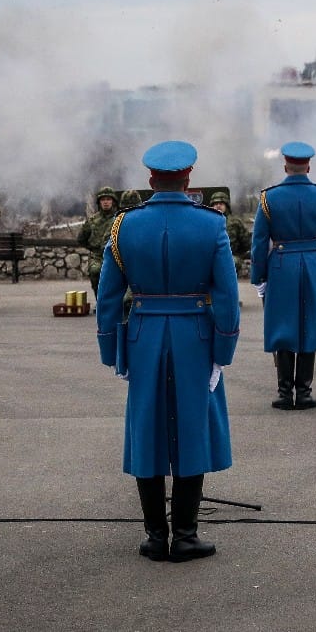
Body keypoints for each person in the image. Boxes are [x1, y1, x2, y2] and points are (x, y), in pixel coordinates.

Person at [96, 140, 239, 563]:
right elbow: (227, 296)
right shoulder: (211, 225)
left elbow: (108, 296)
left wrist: (111, 349)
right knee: (192, 425)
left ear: (151, 179)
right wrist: (224, 347)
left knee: (147, 427)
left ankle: (156, 536)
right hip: (195, 335)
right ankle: (187, 535)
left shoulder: (125, 224)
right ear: (189, 177)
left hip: (143, 333)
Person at [250, 141, 316, 410]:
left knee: (283, 326)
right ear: (308, 167)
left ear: (285, 166)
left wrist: (259, 276)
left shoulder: (269, 198)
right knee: (309, 325)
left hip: (281, 267)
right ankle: (304, 392)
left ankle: (284, 393)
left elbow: (259, 243)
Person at [77, 186, 119, 295]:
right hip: (97, 256)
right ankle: (100, 301)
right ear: (99, 202)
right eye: (103, 200)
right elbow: (81, 239)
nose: (106, 202)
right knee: (95, 272)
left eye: (108, 199)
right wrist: (92, 248)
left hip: (115, 255)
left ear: (113, 201)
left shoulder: (119, 218)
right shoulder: (93, 220)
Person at [209, 191, 252, 279]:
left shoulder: (235, 222)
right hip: (210, 257)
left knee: (231, 262)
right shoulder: (206, 222)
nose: (218, 206)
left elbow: (247, 243)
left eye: (221, 203)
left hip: (230, 257)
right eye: (215, 204)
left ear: (226, 205)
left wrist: (240, 254)